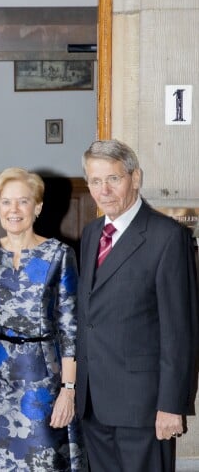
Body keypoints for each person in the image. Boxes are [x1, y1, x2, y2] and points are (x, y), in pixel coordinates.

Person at [77, 139, 198, 472]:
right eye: (95, 180)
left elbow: (180, 330)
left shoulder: (168, 237)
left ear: (135, 178)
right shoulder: (90, 234)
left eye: (113, 179)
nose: (104, 189)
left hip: (144, 406)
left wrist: (172, 405)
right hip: (93, 402)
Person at [0, 167, 86, 471]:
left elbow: (71, 330)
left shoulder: (59, 254)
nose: (13, 210)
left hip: (42, 379)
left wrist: (68, 391)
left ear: (38, 207)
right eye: (6, 202)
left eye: (23, 201)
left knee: (43, 461)